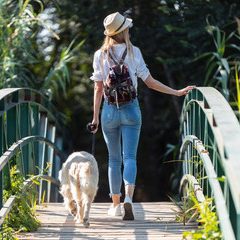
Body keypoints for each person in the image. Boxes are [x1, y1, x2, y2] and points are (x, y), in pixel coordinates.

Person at [90, 12, 195, 220]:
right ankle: (129, 198)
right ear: (125, 30)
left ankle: (116, 205)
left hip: (109, 111)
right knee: (129, 157)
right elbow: (150, 82)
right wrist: (176, 92)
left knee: (113, 159)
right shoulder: (134, 52)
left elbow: (98, 88)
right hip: (131, 109)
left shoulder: (99, 54)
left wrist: (95, 118)